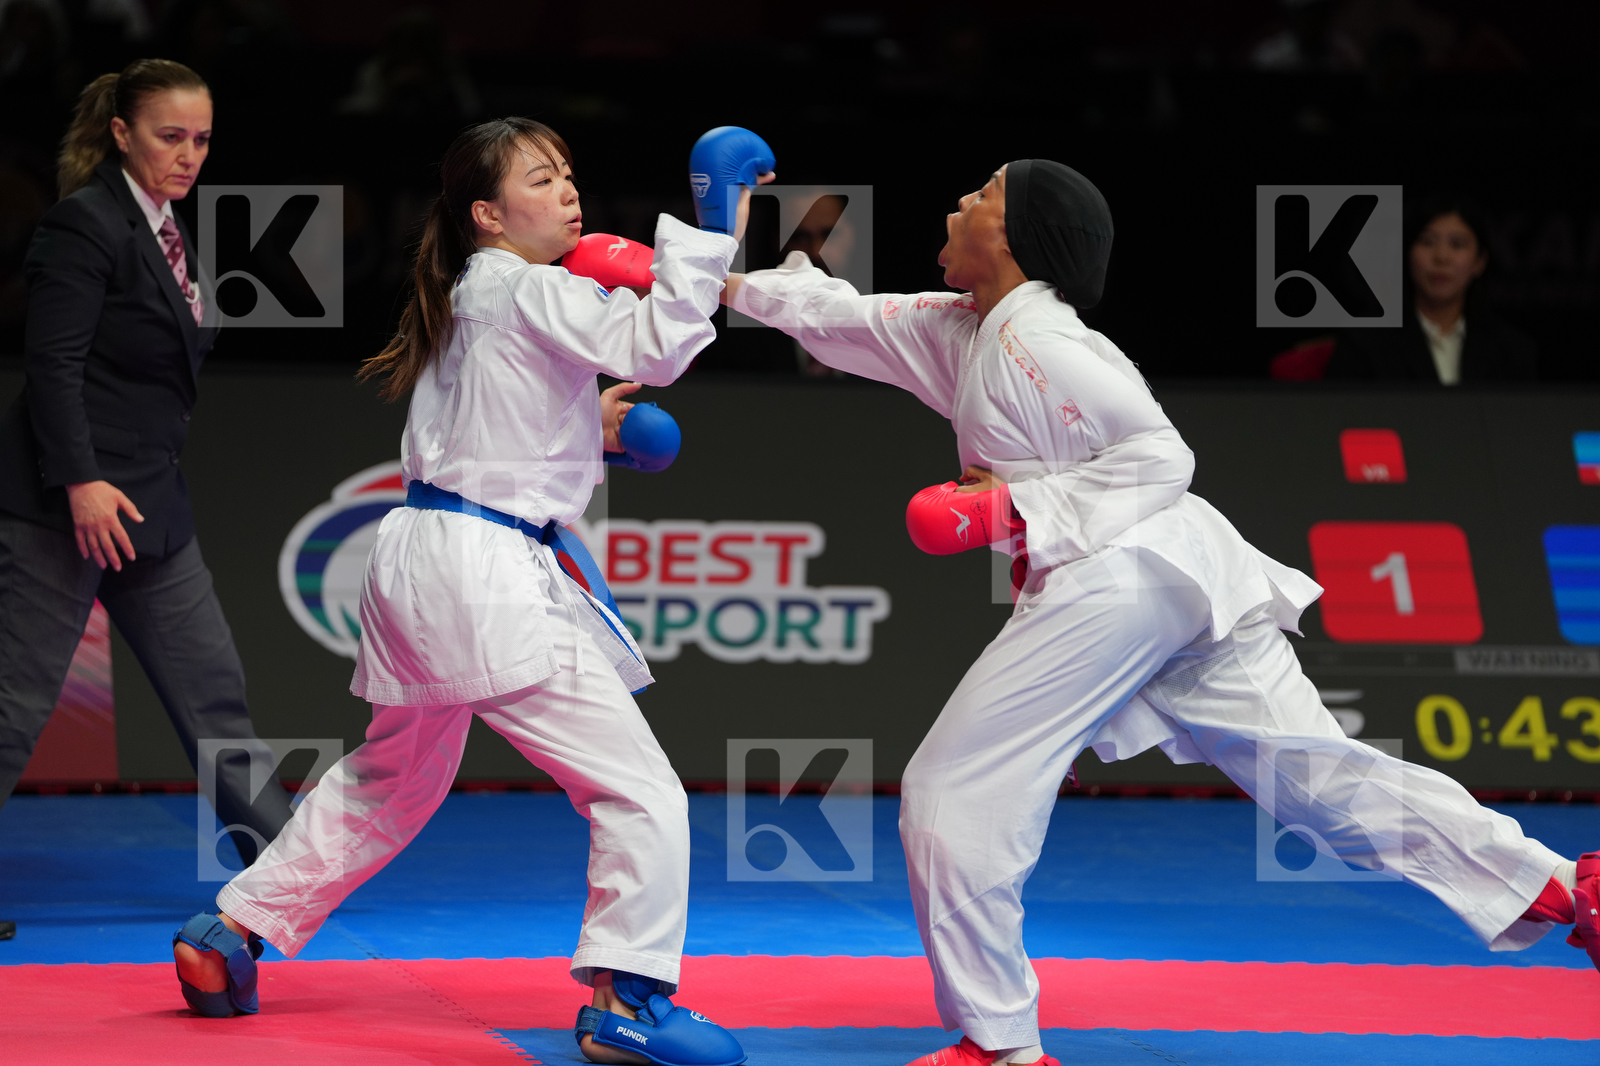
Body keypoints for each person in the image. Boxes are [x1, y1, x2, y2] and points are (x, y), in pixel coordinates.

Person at [723, 159, 1594, 1066]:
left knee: (955, 787)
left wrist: (1007, 511)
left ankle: (998, 1046)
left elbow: (1161, 456)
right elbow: (834, 316)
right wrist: (696, 268)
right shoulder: (966, 328)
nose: (956, 204)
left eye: (981, 196)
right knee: (1313, 777)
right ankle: (1563, 888)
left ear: (1017, 239)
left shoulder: (1042, 344)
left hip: (1126, 573)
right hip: (1184, 579)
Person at [169, 118, 774, 1066]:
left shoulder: (486, 292)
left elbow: (509, 418)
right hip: (484, 575)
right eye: (542, 177)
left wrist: (591, 421)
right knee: (640, 789)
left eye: (571, 173)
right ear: (489, 214)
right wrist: (715, 218)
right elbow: (658, 342)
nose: (569, 190)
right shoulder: (521, 283)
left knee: (392, 780)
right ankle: (629, 1001)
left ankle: (229, 933)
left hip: (424, 555)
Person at [0, 58, 294, 939]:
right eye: (171, 136)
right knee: (14, 704)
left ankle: (286, 876)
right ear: (122, 133)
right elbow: (50, 365)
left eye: (202, 139)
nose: (189, 154)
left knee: (215, 696)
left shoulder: (165, 225)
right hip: (66, 506)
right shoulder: (82, 225)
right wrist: (82, 480)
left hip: (151, 506)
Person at [1326, 192, 1536, 383]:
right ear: (1408, 254)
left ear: (1479, 261)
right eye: (1427, 242)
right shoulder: (1365, 342)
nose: (1441, 257)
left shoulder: (1512, 350)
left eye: (1457, 244)